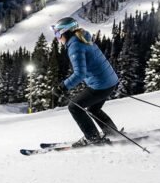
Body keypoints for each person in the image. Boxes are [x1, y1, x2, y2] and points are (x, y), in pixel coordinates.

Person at [51, 17, 119, 147]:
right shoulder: (83, 38)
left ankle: (93, 138)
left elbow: (80, 73)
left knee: (74, 107)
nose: (57, 37)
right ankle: (111, 132)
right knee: (93, 109)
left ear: (66, 32)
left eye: (58, 33)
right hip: (109, 80)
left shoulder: (75, 46)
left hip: (101, 84)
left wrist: (62, 87)